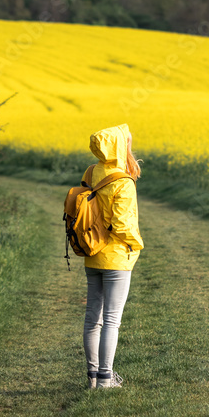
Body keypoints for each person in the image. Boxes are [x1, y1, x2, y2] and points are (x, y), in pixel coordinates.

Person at [82, 123, 144, 390]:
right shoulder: (123, 181)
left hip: (91, 253)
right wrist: (137, 244)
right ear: (120, 146)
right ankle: (106, 378)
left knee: (92, 317)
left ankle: (93, 377)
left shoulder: (90, 172)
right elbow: (121, 225)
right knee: (111, 320)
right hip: (116, 257)